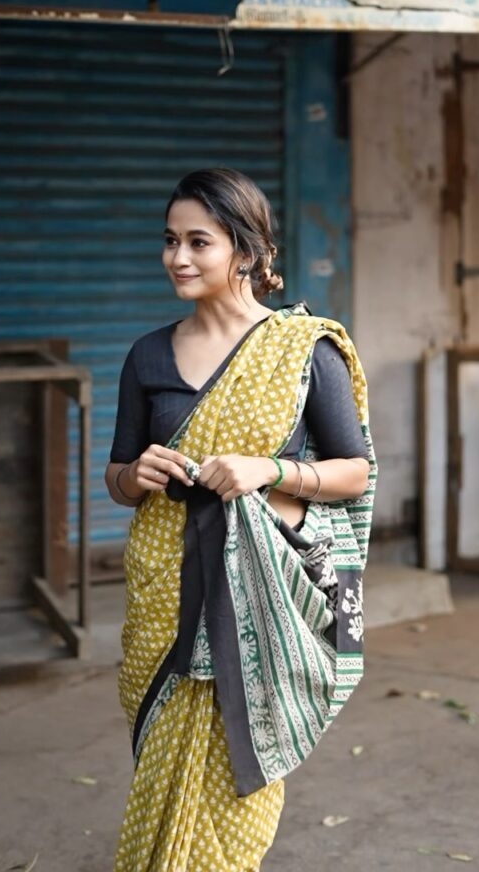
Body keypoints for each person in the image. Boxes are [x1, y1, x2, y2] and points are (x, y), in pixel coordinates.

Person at [105, 168, 377, 872]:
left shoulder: (303, 352)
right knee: (165, 756)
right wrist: (136, 476)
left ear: (248, 253)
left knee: (235, 772)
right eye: (169, 240)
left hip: (257, 600)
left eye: (200, 241)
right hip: (165, 591)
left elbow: (355, 473)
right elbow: (116, 476)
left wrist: (270, 470)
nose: (178, 258)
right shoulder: (146, 356)